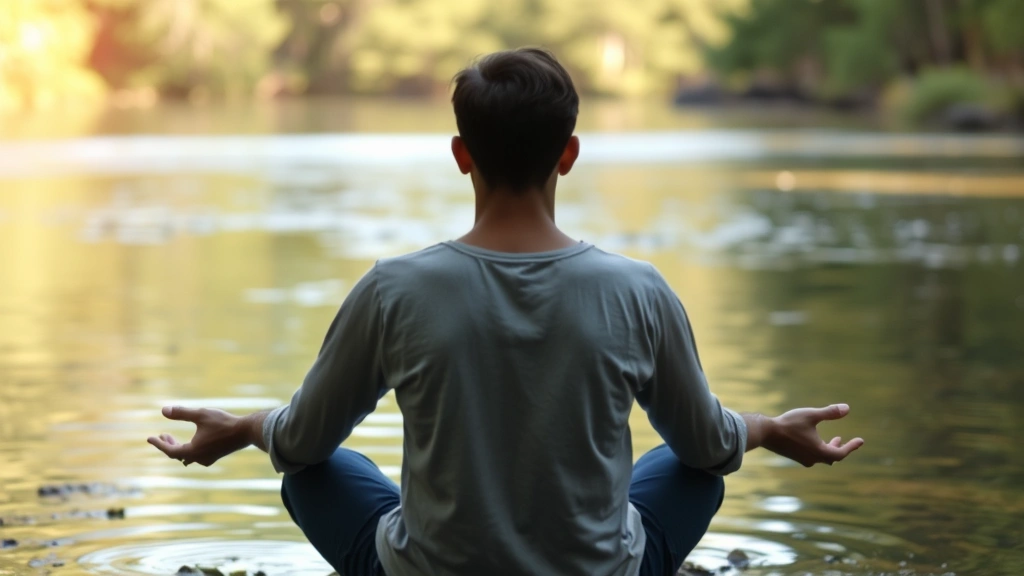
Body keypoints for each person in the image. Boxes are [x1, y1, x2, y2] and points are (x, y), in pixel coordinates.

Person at [147, 48, 864, 576]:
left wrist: (242, 427)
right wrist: (768, 429)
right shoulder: (638, 290)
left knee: (312, 470)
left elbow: (300, 444)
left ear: (461, 155)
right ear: (570, 155)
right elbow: (710, 448)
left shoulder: (394, 288)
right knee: (693, 468)